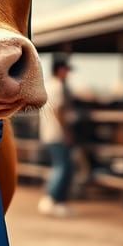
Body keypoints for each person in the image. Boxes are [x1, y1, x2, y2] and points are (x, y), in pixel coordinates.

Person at [38, 57, 75, 217]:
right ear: (60, 70)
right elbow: (58, 111)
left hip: (48, 132)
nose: (68, 73)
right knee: (62, 167)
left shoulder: (48, 85)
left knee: (60, 166)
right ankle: (52, 198)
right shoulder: (57, 86)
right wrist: (66, 132)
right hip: (57, 133)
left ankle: (56, 200)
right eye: (66, 70)